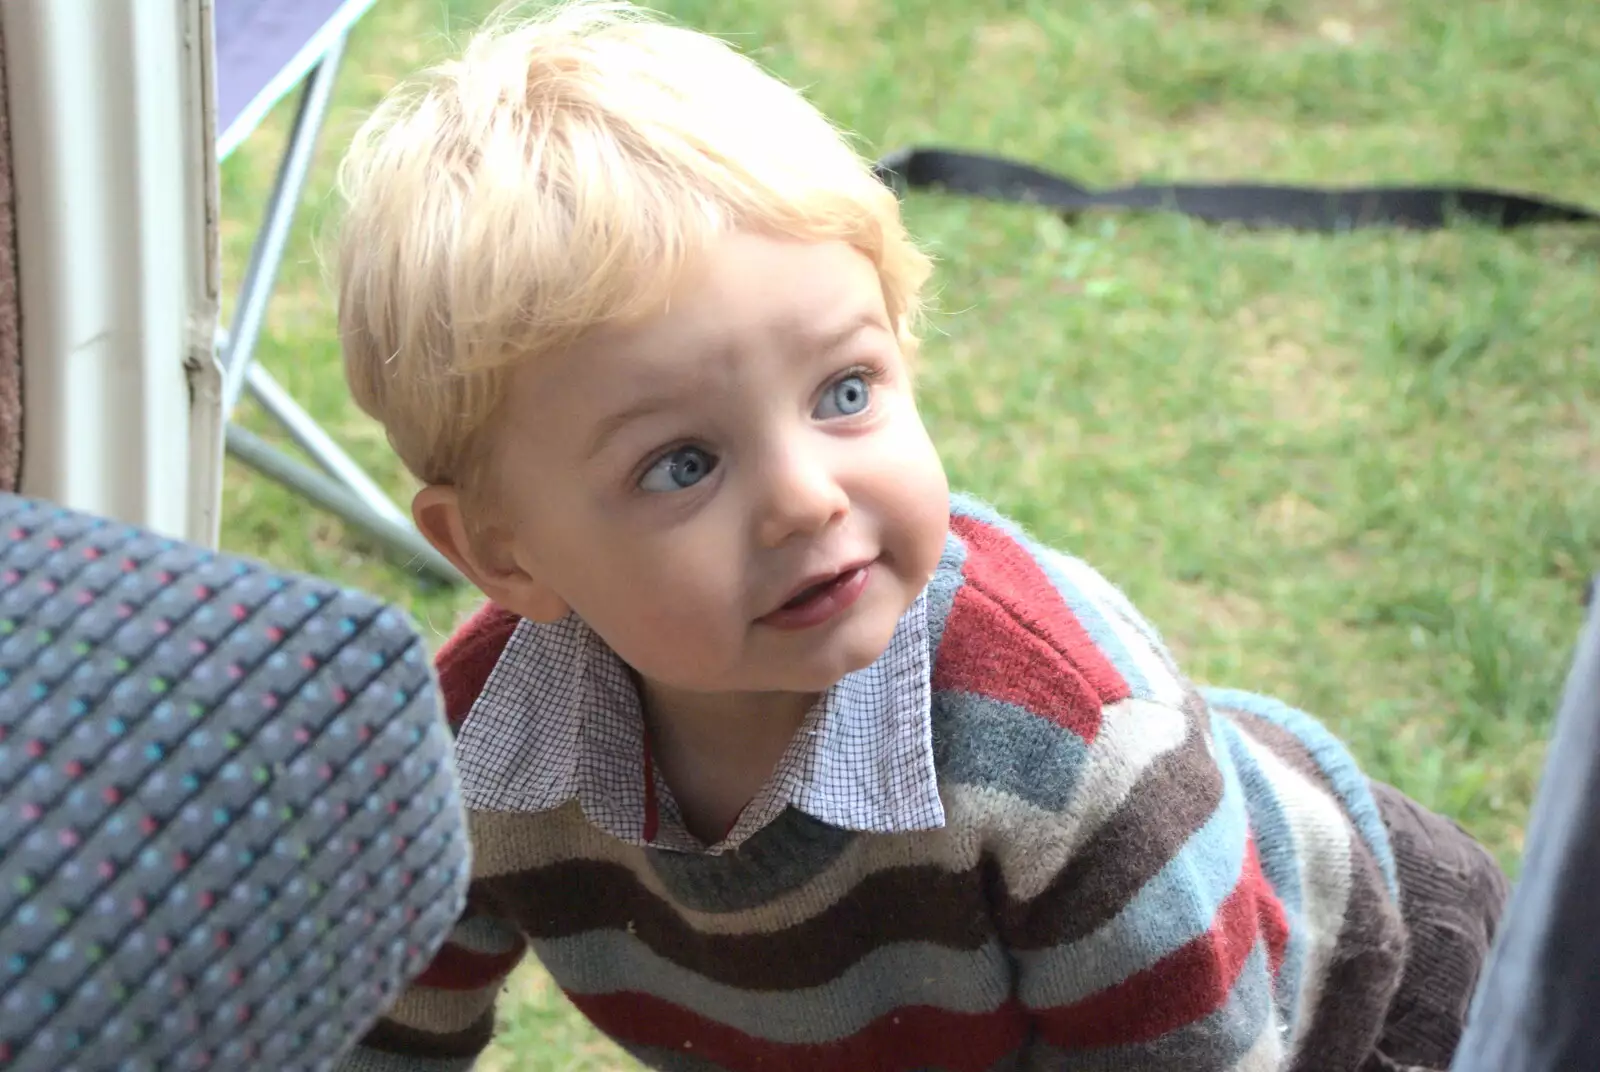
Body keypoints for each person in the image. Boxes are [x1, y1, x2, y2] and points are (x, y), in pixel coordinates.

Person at [330, 3, 1506, 1069]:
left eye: (843, 391)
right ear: (504, 554)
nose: (806, 498)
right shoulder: (480, 745)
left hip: (1366, 1008)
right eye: (681, 464)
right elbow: (375, 1023)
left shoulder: (1060, 741)